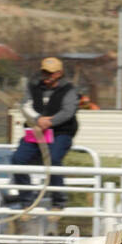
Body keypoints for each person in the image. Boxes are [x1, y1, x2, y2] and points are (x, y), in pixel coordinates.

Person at [11, 57, 78, 210]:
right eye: (44, 72)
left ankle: (58, 202)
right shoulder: (33, 86)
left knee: (53, 160)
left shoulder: (69, 89)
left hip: (61, 132)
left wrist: (49, 122)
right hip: (35, 131)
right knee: (17, 159)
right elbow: (25, 105)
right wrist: (38, 119)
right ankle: (26, 201)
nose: (46, 76)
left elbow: (68, 111)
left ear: (59, 73)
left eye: (50, 73)